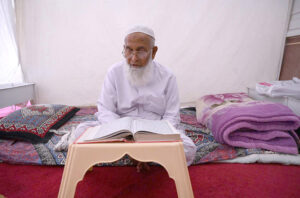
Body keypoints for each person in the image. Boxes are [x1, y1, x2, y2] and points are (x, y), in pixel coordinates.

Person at [55, 25, 196, 170]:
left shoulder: (167, 76)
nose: (133, 58)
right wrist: (124, 134)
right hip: (118, 127)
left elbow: (172, 115)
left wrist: (148, 140)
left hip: (155, 129)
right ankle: (143, 155)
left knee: (187, 149)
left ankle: (136, 154)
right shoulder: (114, 72)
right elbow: (105, 110)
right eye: (129, 50)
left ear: (153, 52)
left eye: (141, 51)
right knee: (81, 132)